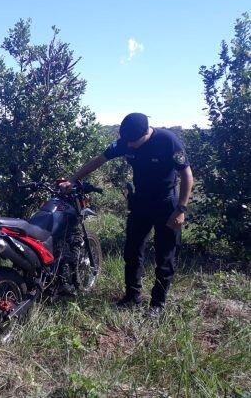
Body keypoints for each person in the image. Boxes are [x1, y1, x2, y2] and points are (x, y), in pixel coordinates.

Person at [60, 113, 193, 317]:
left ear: (146, 133)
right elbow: (99, 160)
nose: (129, 146)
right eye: (127, 142)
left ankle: (157, 304)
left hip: (167, 203)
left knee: (164, 256)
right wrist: (73, 179)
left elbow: (187, 175)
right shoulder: (126, 141)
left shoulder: (168, 141)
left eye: (133, 142)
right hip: (141, 202)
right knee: (132, 251)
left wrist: (181, 209)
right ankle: (132, 296)